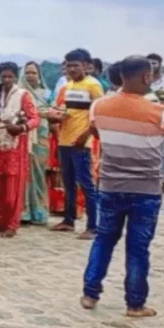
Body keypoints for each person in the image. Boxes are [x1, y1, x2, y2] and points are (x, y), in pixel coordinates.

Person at [79, 55, 164, 318]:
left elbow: (95, 130)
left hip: (109, 184)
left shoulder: (99, 106)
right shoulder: (160, 112)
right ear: (146, 77)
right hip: (146, 189)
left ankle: (90, 292)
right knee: (138, 248)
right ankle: (135, 303)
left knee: (104, 239)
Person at [51, 48, 104, 239]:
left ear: (86, 66)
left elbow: (98, 113)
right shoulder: (67, 86)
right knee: (68, 183)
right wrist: (54, 117)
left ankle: (93, 225)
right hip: (65, 139)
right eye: (69, 65)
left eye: (75, 65)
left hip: (82, 141)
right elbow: (64, 110)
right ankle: (68, 219)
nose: (72, 69)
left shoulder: (93, 86)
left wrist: (86, 135)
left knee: (87, 184)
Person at [0, 62, 39, 238]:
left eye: (10, 76)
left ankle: (12, 223)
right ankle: (1, 220)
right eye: (3, 77)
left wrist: (21, 128)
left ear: (16, 77)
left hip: (15, 145)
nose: (7, 80)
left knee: (13, 186)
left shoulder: (23, 95)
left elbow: (34, 119)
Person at [20, 61, 52, 226]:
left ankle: (39, 211)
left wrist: (39, 114)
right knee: (23, 174)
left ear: (39, 75)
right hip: (23, 137)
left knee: (38, 174)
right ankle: (23, 212)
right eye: (27, 73)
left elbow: (55, 113)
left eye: (33, 73)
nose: (30, 76)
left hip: (41, 138)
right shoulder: (19, 93)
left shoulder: (47, 94)